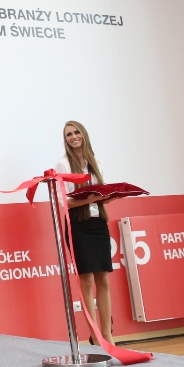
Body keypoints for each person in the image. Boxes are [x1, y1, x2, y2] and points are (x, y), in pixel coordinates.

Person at [54, 120, 117, 346]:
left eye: (76, 132)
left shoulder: (97, 163)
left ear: (84, 135)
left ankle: (107, 335)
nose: (73, 137)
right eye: (69, 134)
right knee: (87, 281)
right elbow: (64, 201)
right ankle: (96, 336)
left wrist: (109, 197)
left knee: (104, 280)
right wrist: (91, 199)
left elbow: (101, 195)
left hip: (98, 223)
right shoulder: (63, 164)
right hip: (78, 225)